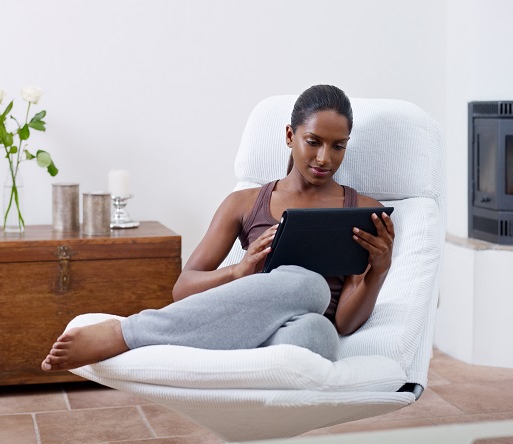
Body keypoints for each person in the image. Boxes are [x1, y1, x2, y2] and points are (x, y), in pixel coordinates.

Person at [41, 84, 395, 372]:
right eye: (313, 142)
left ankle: (148, 339)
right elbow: (183, 288)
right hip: (245, 317)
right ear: (290, 136)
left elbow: (345, 324)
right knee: (308, 284)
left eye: (338, 147)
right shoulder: (243, 203)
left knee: (319, 329)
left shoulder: (364, 211)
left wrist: (378, 272)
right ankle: (127, 332)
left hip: (297, 337)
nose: (324, 158)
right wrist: (240, 271)